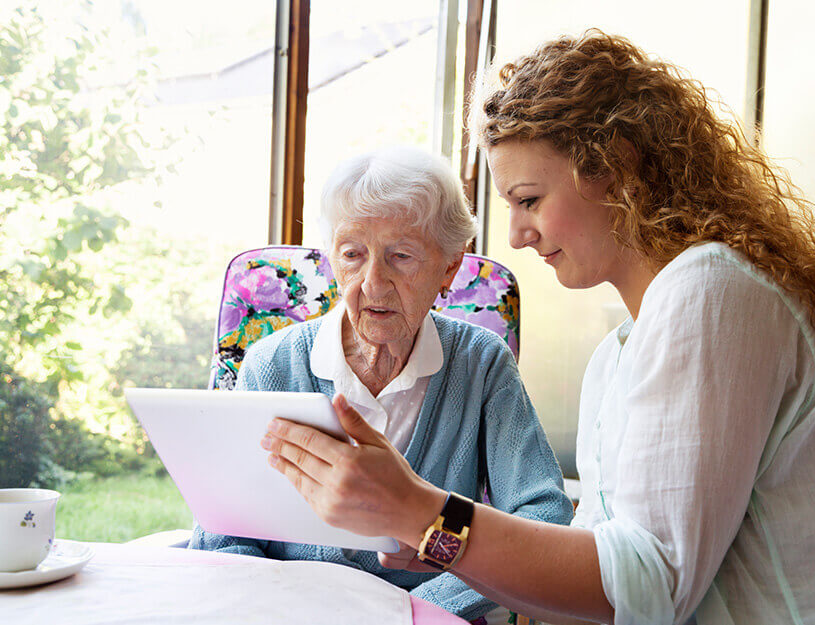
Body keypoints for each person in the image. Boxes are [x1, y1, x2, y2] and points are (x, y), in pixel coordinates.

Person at [259, 30, 815, 625]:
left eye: (529, 200)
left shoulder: (712, 291)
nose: (515, 235)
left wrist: (422, 510)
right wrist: (437, 541)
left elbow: (652, 584)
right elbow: (594, 580)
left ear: (618, 166)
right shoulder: (619, 354)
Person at [189, 146, 574, 623]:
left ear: (449, 268)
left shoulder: (480, 363)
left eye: (402, 256)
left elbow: (542, 514)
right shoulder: (272, 365)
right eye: (353, 254)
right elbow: (224, 534)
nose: (373, 283)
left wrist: (420, 610)